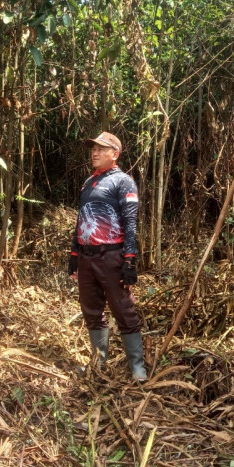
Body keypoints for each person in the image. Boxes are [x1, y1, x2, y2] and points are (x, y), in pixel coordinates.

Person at [67, 131, 147, 381]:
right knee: (91, 309)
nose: (95, 153)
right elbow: (82, 219)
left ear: (115, 154)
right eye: (93, 148)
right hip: (87, 257)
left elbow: (130, 223)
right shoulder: (89, 181)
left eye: (102, 149)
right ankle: (98, 362)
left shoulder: (123, 181)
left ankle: (137, 367)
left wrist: (129, 260)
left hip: (111, 255)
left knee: (123, 309)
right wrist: (73, 253)